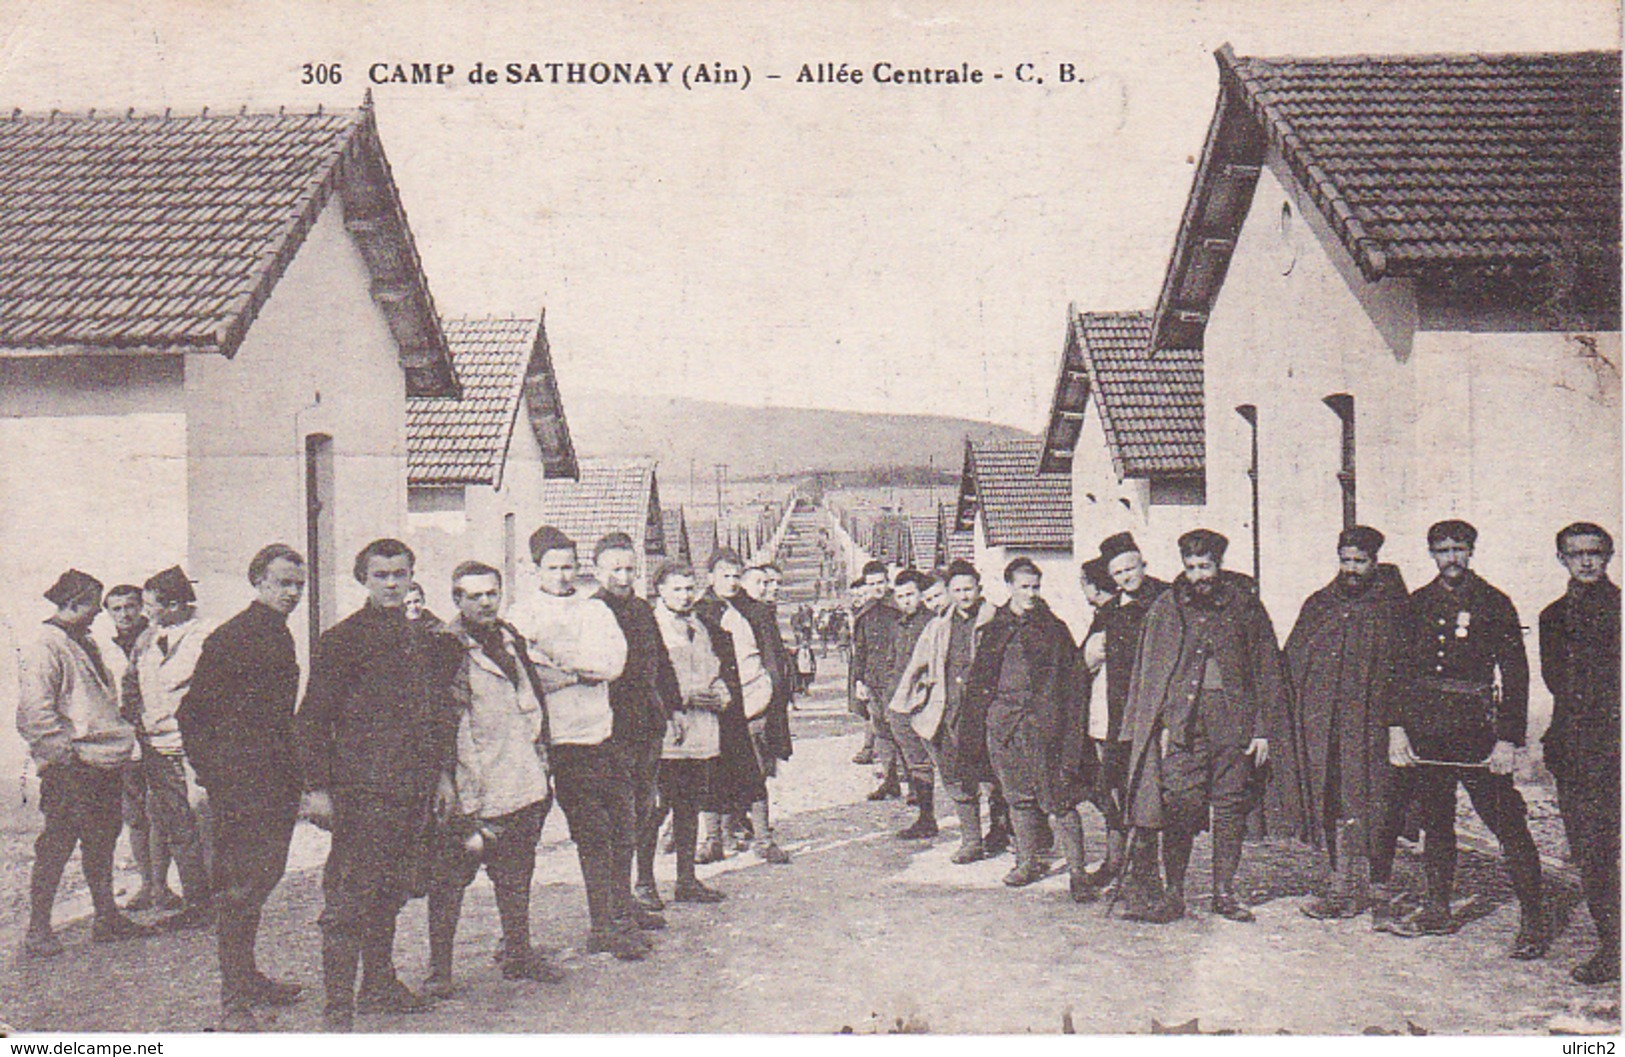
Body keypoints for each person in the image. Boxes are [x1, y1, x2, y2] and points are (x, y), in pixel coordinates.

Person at [298, 538, 463, 1030]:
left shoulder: (421, 640)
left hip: (411, 789)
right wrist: (318, 789)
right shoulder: (341, 640)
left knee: (391, 891)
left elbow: (434, 718)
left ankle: (378, 985)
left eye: (400, 574)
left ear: (412, 577)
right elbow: (311, 721)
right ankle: (337, 1009)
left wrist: (441, 776)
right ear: (363, 580)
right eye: (380, 575)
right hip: (362, 793)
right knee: (349, 898)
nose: (392, 583)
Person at [1375, 520, 1545, 958]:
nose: (1451, 557)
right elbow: (1397, 671)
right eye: (1442, 549)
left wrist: (1508, 739)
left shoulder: (1493, 603)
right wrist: (1397, 728)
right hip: (1428, 731)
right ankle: (1437, 908)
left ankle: (1534, 919)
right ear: (1432, 553)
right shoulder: (1417, 604)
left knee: (1505, 821)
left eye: (1459, 549)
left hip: (1477, 732)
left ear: (1472, 551)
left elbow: (1515, 673)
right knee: (1436, 821)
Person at [1120, 530, 1286, 924]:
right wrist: (1160, 722)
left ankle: (1223, 893)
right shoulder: (1168, 607)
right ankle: (1173, 893)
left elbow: (1266, 669)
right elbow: (1153, 670)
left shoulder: (1245, 607)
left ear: (1219, 564)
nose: (1198, 576)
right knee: (1179, 804)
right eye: (1191, 567)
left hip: (1234, 723)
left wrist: (1262, 728)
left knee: (1229, 807)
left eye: (1205, 566)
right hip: (1183, 725)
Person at [177, 544, 309, 1030]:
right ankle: (233, 1002)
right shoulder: (231, 637)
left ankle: (248, 978)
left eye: (298, 584)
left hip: (273, 783)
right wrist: (217, 777)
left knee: (261, 881)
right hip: (241, 787)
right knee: (238, 890)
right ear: (258, 582)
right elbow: (192, 715)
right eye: (282, 583)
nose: (292, 593)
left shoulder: (277, 634)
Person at [423, 562, 564, 1000]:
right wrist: (445, 779)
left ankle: (518, 951)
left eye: (491, 594)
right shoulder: (444, 648)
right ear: (457, 600)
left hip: (519, 777)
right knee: (451, 878)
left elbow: (532, 703)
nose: (485, 602)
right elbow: (436, 722)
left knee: (516, 873)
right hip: (472, 781)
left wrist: (543, 762)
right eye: (474, 595)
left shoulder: (508, 639)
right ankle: (440, 969)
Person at [509, 526, 648, 961]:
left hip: (600, 733)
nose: (563, 575)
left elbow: (613, 664)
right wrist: (573, 672)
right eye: (553, 567)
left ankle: (616, 915)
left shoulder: (595, 612)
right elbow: (526, 675)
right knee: (588, 832)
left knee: (620, 826)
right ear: (536, 570)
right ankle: (595, 927)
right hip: (557, 740)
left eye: (569, 566)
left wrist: (564, 668)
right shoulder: (521, 615)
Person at [19, 569, 153, 957]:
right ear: (75, 603)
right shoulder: (46, 646)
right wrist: (64, 758)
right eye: (95, 605)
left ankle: (106, 917)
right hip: (73, 766)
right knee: (58, 844)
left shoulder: (82, 641)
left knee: (101, 842)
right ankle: (38, 930)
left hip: (101, 762)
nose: (99, 612)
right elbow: (34, 712)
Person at [1281, 526, 1409, 921]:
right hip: (1329, 727)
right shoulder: (1320, 604)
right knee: (1333, 800)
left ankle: (1379, 888)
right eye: (1346, 560)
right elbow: (1293, 657)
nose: (1352, 569)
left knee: (1380, 802)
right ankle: (1339, 887)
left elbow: (1406, 669)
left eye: (1360, 561)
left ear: (1374, 562)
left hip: (1376, 727)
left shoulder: (1394, 607)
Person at [970, 558, 1094, 898]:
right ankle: (1027, 862)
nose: (1030, 594)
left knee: (1059, 798)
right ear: (1009, 586)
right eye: (1024, 587)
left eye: (1035, 587)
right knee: (1017, 797)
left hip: (1043, 726)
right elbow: (981, 680)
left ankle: (1079, 873)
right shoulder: (994, 629)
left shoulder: (1053, 628)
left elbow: (1071, 679)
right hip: (1004, 726)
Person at [1539, 522, 1620, 984]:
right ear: (1562, 560)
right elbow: (1557, 682)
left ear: (1608, 556)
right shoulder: (1553, 617)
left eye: (1595, 553)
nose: (1586, 561)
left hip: (1617, 742)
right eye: (1576, 554)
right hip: (1577, 748)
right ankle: (1613, 948)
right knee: (1593, 852)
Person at [591, 533, 681, 921]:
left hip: (647, 725)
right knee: (619, 816)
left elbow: (661, 661)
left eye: (630, 569)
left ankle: (638, 889)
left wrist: (673, 708)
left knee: (645, 810)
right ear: (597, 571)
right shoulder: (592, 612)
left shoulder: (643, 610)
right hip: (611, 729)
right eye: (615, 569)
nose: (624, 577)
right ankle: (617, 901)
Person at [133, 565, 214, 931]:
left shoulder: (205, 634)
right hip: (157, 743)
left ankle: (218, 900)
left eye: (152, 605)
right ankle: (196, 901)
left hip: (194, 745)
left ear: (177, 605)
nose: (145, 612)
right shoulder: (150, 638)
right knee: (176, 824)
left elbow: (186, 683)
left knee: (205, 820)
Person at [694, 553, 785, 864]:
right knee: (711, 773)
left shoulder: (756, 611)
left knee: (754, 772)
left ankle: (763, 839)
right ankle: (714, 839)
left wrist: (770, 698)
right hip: (717, 705)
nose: (731, 582)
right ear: (710, 577)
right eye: (724, 576)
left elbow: (771, 659)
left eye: (736, 576)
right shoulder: (701, 612)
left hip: (752, 702)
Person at [649, 561, 730, 904]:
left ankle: (686, 879)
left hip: (702, 730)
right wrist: (683, 697)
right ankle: (644, 884)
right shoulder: (653, 627)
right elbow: (649, 678)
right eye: (676, 589)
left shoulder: (699, 625)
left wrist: (721, 694)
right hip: (669, 732)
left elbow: (712, 668)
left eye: (688, 589)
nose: (684, 596)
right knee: (656, 809)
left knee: (690, 806)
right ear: (661, 591)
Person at [101, 584, 173, 914]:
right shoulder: (104, 648)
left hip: (157, 736)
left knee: (159, 812)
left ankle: (161, 885)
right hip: (124, 740)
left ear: (141, 608)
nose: (125, 614)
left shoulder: (156, 638)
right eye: (116, 609)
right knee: (135, 816)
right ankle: (146, 883)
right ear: (108, 613)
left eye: (130, 606)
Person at [881, 570, 939, 839]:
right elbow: (892, 663)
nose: (905, 601)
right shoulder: (897, 625)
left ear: (921, 595)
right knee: (916, 762)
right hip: (901, 703)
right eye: (900, 596)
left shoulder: (932, 624)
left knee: (936, 761)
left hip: (925, 703)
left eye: (911, 594)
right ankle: (926, 817)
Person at [853, 561, 902, 795]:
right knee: (881, 731)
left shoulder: (899, 609)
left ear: (887, 582)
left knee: (903, 731)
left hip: (898, 680)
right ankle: (890, 780)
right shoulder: (865, 613)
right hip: (874, 681)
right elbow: (860, 650)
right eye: (872, 584)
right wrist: (858, 680)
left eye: (880, 582)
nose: (877, 588)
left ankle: (913, 785)